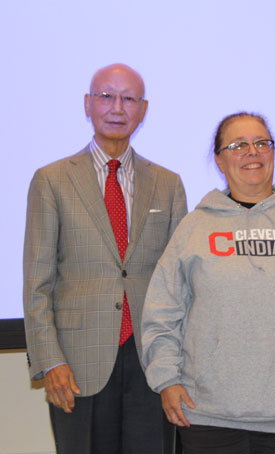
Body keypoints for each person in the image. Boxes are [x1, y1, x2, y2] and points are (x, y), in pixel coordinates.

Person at [141, 112, 275, 454]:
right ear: (219, 159)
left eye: (261, 143)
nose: (252, 152)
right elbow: (162, 311)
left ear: (273, 152)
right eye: (238, 145)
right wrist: (167, 380)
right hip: (207, 416)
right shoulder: (195, 228)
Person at [23, 63, 187, 454]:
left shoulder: (168, 184)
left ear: (143, 110)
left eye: (128, 98)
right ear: (87, 104)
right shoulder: (52, 180)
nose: (117, 107)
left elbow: (180, 282)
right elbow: (37, 282)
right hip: (78, 364)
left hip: (152, 361)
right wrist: (50, 362)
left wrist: (179, 366)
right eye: (106, 96)